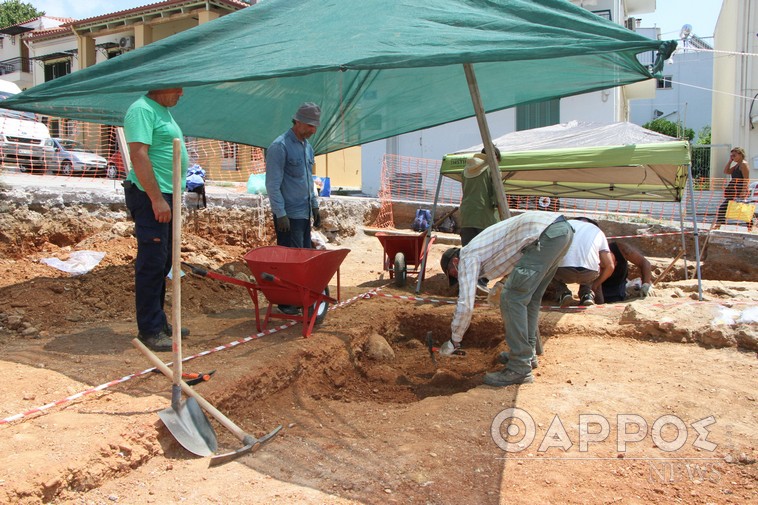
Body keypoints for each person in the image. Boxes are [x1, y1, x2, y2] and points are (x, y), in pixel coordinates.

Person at [439, 211, 574, 387]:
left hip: (545, 235)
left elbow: (466, 304)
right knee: (530, 298)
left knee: (511, 297)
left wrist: (454, 341)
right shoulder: (479, 247)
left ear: (454, 262)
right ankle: (528, 354)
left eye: (453, 274)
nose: (458, 278)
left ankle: (519, 366)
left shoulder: (467, 257)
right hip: (560, 232)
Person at [122, 88, 189, 352]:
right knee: (152, 263)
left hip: (165, 194)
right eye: (178, 88)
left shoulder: (163, 112)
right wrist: (157, 199)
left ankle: (158, 322)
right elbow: (139, 155)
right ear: (161, 86)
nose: (181, 93)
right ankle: (149, 329)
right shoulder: (142, 109)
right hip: (152, 196)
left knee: (163, 261)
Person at [265, 102, 323, 314]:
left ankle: (300, 297)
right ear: (297, 121)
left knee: (303, 258)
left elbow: (309, 181)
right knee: (290, 261)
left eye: (315, 126)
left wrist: (315, 207)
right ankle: (287, 302)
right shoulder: (279, 147)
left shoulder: (307, 147)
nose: (313, 130)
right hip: (288, 216)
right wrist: (280, 214)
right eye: (309, 125)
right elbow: (272, 184)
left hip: (304, 213)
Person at [458, 146, 501, 294]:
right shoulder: (492, 169)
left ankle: (467, 283)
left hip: (466, 215)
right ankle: (482, 281)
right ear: (495, 158)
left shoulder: (466, 170)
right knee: (489, 251)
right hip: (485, 216)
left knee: (469, 250)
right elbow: (497, 197)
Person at [549, 217, 613, 307]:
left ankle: (563, 293)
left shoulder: (564, 225)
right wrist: (595, 284)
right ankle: (586, 295)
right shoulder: (598, 232)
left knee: (547, 267)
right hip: (589, 274)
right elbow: (610, 266)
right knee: (595, 266)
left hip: (563, 272)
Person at [715, 147, 750, 228]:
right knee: (742, 209)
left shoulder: (744, 164)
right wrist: (730, 161)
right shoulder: (737, 165)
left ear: (740, 154)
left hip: (739, 190)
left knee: (723, 207)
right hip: (734, 190)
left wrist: (743, 192)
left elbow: (746, 179)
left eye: (734, 155)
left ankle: (719, 225)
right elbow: (726, 171)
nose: (733, 157)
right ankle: (751, 224)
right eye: (731, 156)